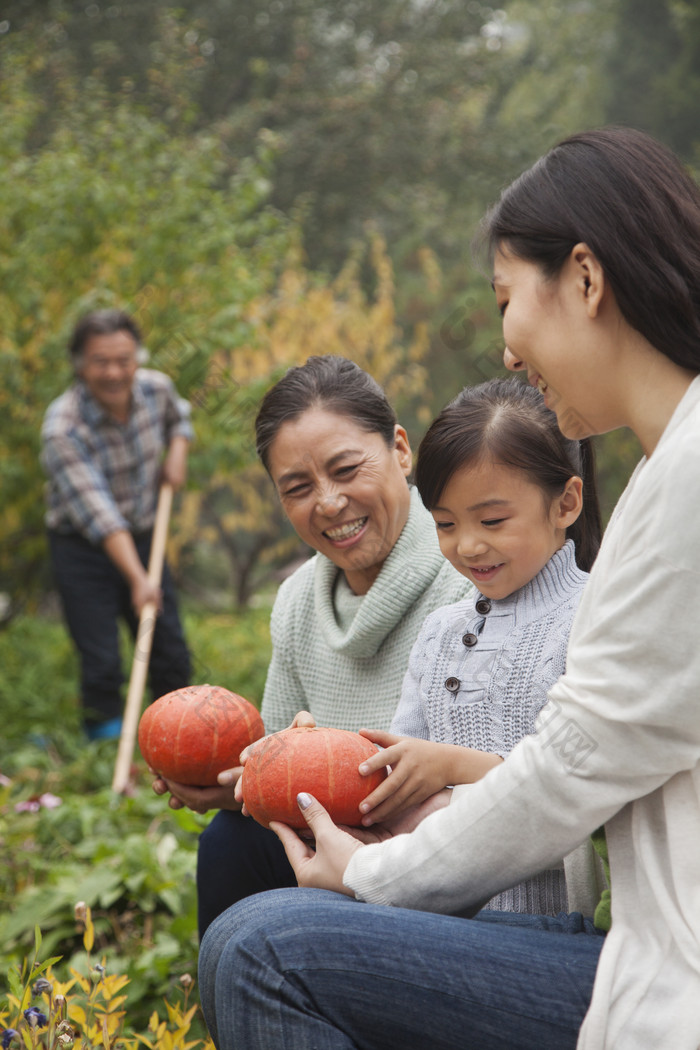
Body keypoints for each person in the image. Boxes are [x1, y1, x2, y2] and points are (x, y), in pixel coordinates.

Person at [198, 126, 700, 1050]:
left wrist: (373, 878)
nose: (507, 350)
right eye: (294, 487)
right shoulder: (666, 483)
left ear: (585, 280)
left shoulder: (683, 489)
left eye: (508, 298)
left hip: (662, 979)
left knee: (259, 948)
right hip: (641, 957)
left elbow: (567, 770)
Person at [154, 355, 471, 937]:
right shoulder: (298, 600)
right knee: (230, 841)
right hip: (330, 844)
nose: (327, 503)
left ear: (401, 450)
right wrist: (222, 788)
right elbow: (285, 772)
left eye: (347, 469)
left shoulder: (472, 570)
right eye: (297, 488)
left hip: (440, 851)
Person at [355, 376, 603, 916]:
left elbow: (583, 788)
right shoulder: (440, 631)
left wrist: (451, 767)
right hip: (438, 915)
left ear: (565, 503)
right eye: (445, 524)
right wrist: (313, 753)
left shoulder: (594, 618)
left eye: (492, 520)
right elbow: (399, 777)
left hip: (550, 927)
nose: (467, 545)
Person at [41, 308, 192, 740]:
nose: (113, 372)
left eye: (123, 359)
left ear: (137, 357)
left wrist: (178, 449)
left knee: (168, 643)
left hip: (146, 530)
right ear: (79, 365)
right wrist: (137, 577)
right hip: (82, 546)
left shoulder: (156, 388)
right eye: (100, 361)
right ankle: (106, 742)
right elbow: (101, 515)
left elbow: (178, 416)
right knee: (101, 654)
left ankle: (176, 734)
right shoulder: (62, 428)